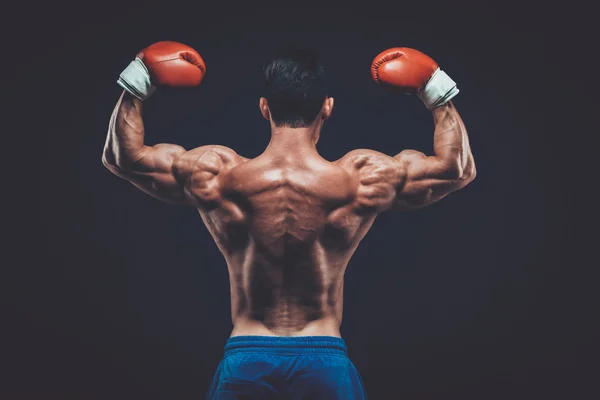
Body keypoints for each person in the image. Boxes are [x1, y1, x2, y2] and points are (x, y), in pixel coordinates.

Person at [103, 41, 476, 399]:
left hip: (247, 357)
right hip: (323, 358)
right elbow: (456, 170)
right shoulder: (363, 178)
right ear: (327, 107)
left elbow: (122, 157)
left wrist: (139, 79)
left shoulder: (214, 174)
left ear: (264, 108)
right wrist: (435, 90)